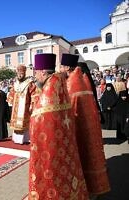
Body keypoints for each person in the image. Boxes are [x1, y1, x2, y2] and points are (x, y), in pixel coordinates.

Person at [29, 54, 88, 199]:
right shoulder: (60, 84)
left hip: (52, 145)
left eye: (36, 72)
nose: (35, 76)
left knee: (53, 174)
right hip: (64, 141)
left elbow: (38, 121)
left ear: (43, 71)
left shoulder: (49, 90)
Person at [60, 54, 110, 196]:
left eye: (62, 66)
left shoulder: (72, 83)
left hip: (78, 125)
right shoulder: (81, 78)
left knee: (82, 157)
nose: (60, 69)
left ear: (68, 67)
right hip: (88, 124)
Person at [7, 64, 35, 144]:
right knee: (16, 123)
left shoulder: (29, 83)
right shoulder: (15, 83)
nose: (19, 75)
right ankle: (16, 139)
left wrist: (32, 104)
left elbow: (33, 94)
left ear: (25, 73)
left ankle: (25, 139)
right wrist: (10, 99)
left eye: (21, 73)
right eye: (18, 73)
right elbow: (12, 92)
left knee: (24, 123)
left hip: (25, 108)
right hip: (16, 107)